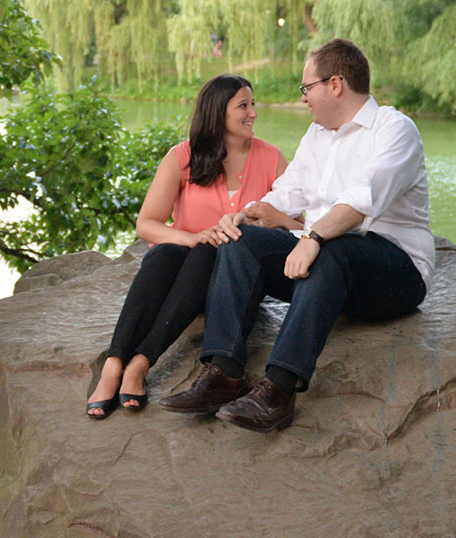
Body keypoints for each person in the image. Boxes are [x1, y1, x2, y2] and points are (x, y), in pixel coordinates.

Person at [158, 38, 433, 432]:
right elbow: (288, 193)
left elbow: (362, 201)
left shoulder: (394, 130)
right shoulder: (318, 135)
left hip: (394, 271)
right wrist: (245, 216)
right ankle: (223, 374)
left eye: (307, 88)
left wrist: (313, 238)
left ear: (335, 84)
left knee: (332, 249)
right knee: (241, 243)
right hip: (325, 267)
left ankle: (278, 392)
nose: (303, 98)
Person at [86, 74, 294, 419]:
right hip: (178, 271)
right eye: (243, 106)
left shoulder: (272, 159)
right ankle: (114, 363)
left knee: (209, 252)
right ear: (217, 113)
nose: (253, 113)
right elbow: (146, 224)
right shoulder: (182, 156)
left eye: (252, 104)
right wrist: (192, 236)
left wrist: (265, 220)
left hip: (230, 283)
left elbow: (294, 224)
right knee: (168, 252)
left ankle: (140, 363)